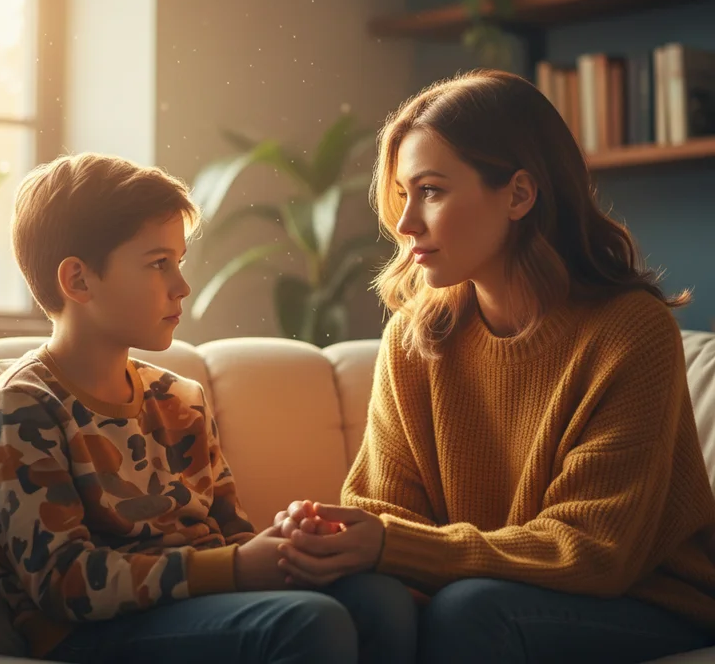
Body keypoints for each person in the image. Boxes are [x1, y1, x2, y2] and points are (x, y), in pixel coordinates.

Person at [274, 69, 715, 663]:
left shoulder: (630, 332)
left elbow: (593, 550)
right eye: (403, 195)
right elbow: (384, 511)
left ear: (519, 194)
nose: (405, 226)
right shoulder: (416, 338)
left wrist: (396, 547)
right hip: (481, 587)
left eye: (430, 190)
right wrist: (335, 541)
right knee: (366, 599)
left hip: (647, 602)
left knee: (471, 610)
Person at [0, 153, 417, 664]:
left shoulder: (179, 399)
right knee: (310, 622)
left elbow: (231, 538)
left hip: (203, 605)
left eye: (178, 261)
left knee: (382, 601)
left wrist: (289, 546)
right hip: (88, 635)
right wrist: (239, 568)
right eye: (159, 264)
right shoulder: (23, 408)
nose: (181, 285)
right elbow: (64, 581)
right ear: (79, 281)